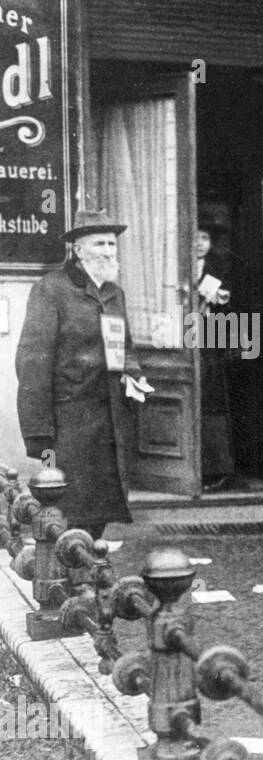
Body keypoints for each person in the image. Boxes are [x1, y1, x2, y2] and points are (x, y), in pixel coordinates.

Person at [16, 209, 147, 539]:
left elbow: (125, 346)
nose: (107, 251)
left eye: (112, 244)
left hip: (110, 423)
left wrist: (133, 374)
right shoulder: (51, 290)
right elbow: (33, 362)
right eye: (99, 243)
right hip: (70, 423)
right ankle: (71, 578)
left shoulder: (114, 293)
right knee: (69, 509)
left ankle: (88, 573)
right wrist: (38, 432)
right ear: (77, 249)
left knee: (101, 509)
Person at [193, 220, 238, 492]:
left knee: (212, 403)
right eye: (195, 236)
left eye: (205, 237)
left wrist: (222, 300)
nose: (199, 242)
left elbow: (233, 309)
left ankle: (216, 469)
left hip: (209, 343)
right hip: (182, 339)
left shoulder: (219, 268)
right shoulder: (175, 265)